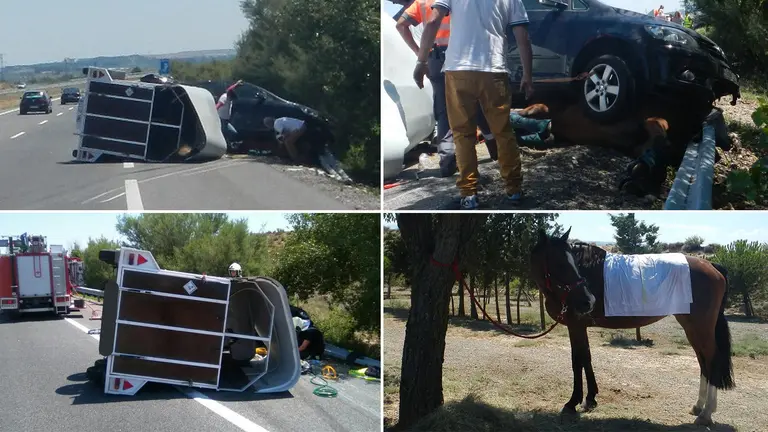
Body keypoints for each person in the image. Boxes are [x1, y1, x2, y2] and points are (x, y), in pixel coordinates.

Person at [414, 0, 534, 210]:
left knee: (462, 134)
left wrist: (421, 61)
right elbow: (522, 37)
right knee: (503, 133)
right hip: (494, 71)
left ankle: (469, 195)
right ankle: (514, 190)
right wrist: (527, 75)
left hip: (458, 70)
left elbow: (433, 22)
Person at [395, 0, 499, 177]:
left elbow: (401, 25)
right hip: (463, 56)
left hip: (436, 58)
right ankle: (496, 151)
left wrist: (420, 54)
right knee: (477, 102)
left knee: (444, 111)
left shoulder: (421, 2)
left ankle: (447, 162)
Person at [216, 80, 244, 148]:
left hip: (226, 120)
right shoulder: (224, 97)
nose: (231, 100)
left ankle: (230, 145)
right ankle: (225, 147)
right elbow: (217, 106)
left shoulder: (229, 95)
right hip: (221, 119)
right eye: (231, 98)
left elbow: (229, 89)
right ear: (229, 96)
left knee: (233, 133)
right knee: (224, 134)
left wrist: (236, 84)